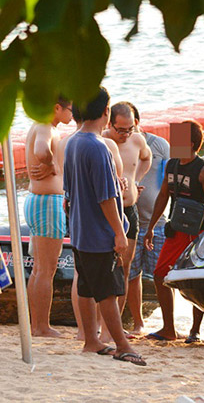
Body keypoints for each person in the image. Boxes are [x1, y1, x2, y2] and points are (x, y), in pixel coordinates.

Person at [64, 86, 146, 365]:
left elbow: (70, 191)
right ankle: (122, 344)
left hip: (79, 228)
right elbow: (107, 198)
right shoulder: (97, 147)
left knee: (87, 288)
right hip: (98, 231)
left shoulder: (73, 142)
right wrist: (120, 232)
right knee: (108, 291)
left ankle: (91, 340)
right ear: (106, 112)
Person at [144, 120, 204, 342]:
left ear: (191, 143)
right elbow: (163, 196)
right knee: (160, 275)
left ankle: (195, 330)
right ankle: (169, 328)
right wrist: (150, 227)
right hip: (176, 229)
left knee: (196, 281)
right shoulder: (171, 165)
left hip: (199, 232)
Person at [24, 96, 73, 337]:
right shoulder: (45, 126)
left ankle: (37, 325)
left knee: (39, 268)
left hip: (38, 200)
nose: (73, 115)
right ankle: (41, 326)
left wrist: (54, 165)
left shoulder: (41, 126)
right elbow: (41, 150)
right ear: (57, 108)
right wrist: (52, 164)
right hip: (46, 203)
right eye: (70, 109)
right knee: (46, 269)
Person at [102, 102, 152, 318]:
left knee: (125, 268)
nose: (124, 134)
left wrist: (136, 180)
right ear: (110, 124)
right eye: (120, 129)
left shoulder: (138, 139)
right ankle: (100, 321)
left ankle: (118, 322)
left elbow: (146, 157)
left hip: (130, 209)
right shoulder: (101, 141)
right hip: (106, 213)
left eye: (129, 129)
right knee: (104, 269)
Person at [128, 106, 170, 335]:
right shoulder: (118, 145)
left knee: (162, 276)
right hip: (131, 223)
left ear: (137, 122)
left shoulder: (160, 145)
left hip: (158, 222)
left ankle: (169, 324)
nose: (126, 132)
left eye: (130, 126)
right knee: (132, 276)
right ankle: (138, 323)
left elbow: (172, 177)